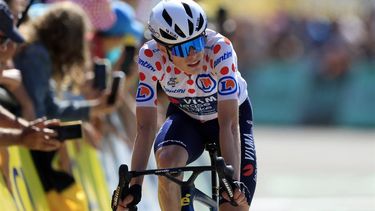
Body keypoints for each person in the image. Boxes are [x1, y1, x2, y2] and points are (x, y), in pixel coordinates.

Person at [118, 1, 257, 211]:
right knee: (166, 161)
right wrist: (134, 185)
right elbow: (145, 128)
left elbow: (228, 124)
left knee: (234, 204)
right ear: (163, 49)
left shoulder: (220, 48)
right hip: (186, 118)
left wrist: (232, 181)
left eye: (198, 43)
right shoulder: (149, 56)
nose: (193, 54)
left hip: (228, 119)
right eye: (183, 48)